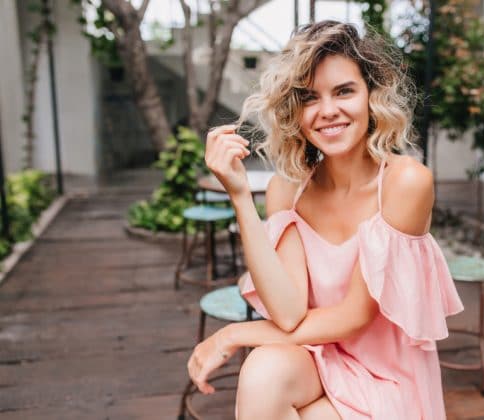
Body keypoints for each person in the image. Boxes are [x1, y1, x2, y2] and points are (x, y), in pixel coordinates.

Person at [187, 20, 464, 420]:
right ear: (294, 110)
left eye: (344, 91)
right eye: (309, 98)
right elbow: (287, 312)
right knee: (262, 372)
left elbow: (352, 318)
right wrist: (240, 195)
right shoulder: (290, 189)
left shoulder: (405, 182)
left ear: (372, 95)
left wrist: (231, 335)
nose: (328, 111)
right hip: (321, 359)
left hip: (387, 378)